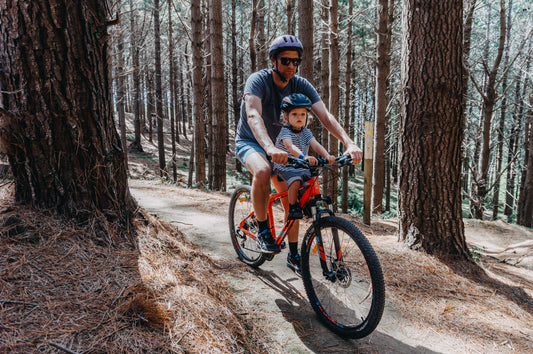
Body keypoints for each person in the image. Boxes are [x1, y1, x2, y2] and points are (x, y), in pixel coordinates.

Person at [235, 34, 363, 265]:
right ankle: (264, 232)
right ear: (273, 61)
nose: (291, 66)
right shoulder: (258, 80)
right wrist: (269, 147)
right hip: (252, 141)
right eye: (286, 60)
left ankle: (293, 256)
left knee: (291, 204)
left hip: (284, 148)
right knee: (263, 170)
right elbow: (253, 114)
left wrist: (349, 143)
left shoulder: (301, 85)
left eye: (296, 61)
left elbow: (325, 116)